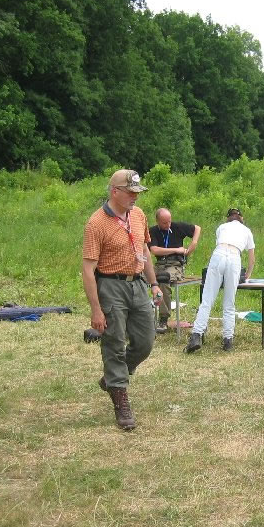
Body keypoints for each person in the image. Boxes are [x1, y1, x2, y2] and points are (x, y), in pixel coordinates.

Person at [81, 169, 162, 431]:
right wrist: (96, 309)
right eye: (130, 192)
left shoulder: (138, 215)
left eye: (137, 192)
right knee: (114, 344)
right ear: (115, 192)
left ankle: (112, 378)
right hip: (110, 285)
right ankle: (120, 399)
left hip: (137, 284)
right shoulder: (96, 223)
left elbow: (144, 251)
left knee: (146, 341)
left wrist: (154, 284)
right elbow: (88, 270)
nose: (135, 197)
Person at [185, 208, 255, 353]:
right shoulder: (247, 230)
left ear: (228, 218)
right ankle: (228, 340)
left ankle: (196, 335)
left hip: (219, 254)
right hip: (235, 257)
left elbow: (220, 243)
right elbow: (251, 259)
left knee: (207, 300)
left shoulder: (222, 227)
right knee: (229, 302)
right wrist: (247, 274)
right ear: (241, 218)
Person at [148, 208, 201, 331]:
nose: (168, 225)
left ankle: (163, 318)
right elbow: (154, 250)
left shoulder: (177, 227)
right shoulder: (153, 231)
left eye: (169, 221)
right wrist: (177, 249)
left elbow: (197, 228)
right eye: (164, 223)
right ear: (157, 221)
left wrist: (193, 243)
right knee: (139, 277)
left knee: (163, 278)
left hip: (175, 264)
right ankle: (141, 315)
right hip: (160, 263)